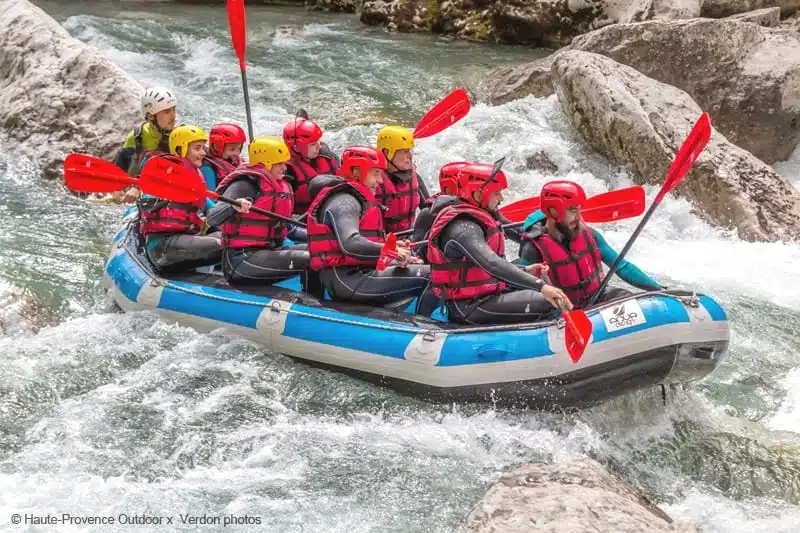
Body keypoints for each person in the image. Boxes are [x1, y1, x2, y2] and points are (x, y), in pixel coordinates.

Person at [425, 162, 571, 325]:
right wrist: (541, 287)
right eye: (497, 193)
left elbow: (482, 268)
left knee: (544, 283)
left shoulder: (483, 214)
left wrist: (525, 270)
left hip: (487, 294)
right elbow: (491, 264)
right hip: (468, 306)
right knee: (546, 300)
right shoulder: (463, 228)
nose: (501, 198)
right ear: (478, 194)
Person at [305, 145, 432, 307]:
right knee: (434, 275)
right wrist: (390, 250)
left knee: (416, 264)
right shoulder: (344, 200)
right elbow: (349, 244)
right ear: (356, 172)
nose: (380, 181)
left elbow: (363, 240)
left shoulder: (356, 197)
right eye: (376, 174)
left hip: (358, 272)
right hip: (349, 281)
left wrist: (390, 244)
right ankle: (429, 326)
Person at [518, 180, 663, 307]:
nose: (578, 217)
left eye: (579, 209)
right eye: (572, 210)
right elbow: (522, 288)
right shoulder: (533, 248)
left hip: (599, 296)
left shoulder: (590, 235)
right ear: (553, 211)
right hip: (563, 309)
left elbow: (622, 267)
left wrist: (659, 290)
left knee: (631, 302)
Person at [205, 136, 309, 284]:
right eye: (279, 164)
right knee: (312, 258)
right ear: (265, 163)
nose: (284, 168)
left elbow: (290, 230)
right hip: (242, 260)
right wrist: (233, 206)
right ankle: (315, 304)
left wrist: (320, 236)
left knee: (321, 251)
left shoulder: (281, 186)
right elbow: (212, 218)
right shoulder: (245, 184)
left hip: (270, 251)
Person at [137, 125, 222, 273]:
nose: (203, 153)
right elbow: (146, 202)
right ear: (179, 150)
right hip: (162, 246)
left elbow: (213, 211)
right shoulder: (164, 173)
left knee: (235, 238)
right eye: (197, 148)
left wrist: (235, 210)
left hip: (184, 240)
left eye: (203, 148)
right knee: (227, 243)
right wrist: (166, 191)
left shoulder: (195, 177)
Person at [411, 161, 522, 250]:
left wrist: (532, 233)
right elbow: (418, 251)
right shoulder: (428, 214)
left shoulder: (486, 208)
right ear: (449, 187)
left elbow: (513, 230)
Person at [375, 126, 430, 234]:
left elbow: (429, 211)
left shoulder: (414, 177)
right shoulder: (373, 181)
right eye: (404, 151)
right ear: (387, 153)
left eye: (410, 151)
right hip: (380, 242)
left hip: (410, 238)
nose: (409, 156)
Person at [114, 86, 178, 178]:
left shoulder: (179, 134)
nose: (173, 116)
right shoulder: (137, 136)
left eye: (174, 109)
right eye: (167, 112)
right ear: (151, 116)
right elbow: (122, 168)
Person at [282, 117, 340, 215]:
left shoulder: (329, 157)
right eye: (313, 144)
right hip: (303, 217)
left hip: (334, 209)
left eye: (318, 141)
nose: (318, 146)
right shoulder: (286, 170)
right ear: (296, 147)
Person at [200, 123, 247, 212]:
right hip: (223, 211)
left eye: (239, 148)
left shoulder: (239, 162)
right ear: (216, 147)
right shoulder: (208, 168)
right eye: (232, 149)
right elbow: (212, 199)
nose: (237, 153)